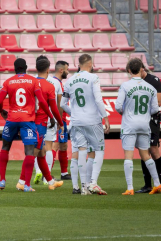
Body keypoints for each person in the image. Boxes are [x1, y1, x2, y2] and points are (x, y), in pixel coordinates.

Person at [0, 58, 63, 192]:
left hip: (13, 118)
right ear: (26, 67)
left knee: (9, 148)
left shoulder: (9, 81)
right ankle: (24, 183)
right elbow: (45, 103)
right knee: (32, 152)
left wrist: (2, 111)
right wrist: (53, 118)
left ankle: (49, 181)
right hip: (30, 120)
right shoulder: (36, 82)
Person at [60, 54, 110, 195]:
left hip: (76, 121)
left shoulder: (69, 81)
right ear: (90, 64)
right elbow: (98, 100)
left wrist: (74, 113)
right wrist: (105, 117)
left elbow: (62, 104)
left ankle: (83, 187)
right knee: (99, 149)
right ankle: (93, 183)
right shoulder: (93, 78)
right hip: (92, 120)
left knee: (82, 151)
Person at [115, 58, 161, 195]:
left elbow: (118, 106)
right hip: (144, 124)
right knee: (146, 155)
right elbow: (154, 109)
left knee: (128, 156)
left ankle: (130, 188)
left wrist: (125, 111)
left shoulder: (125, 86)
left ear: (129, 70)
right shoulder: (150, 87)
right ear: (141, 69)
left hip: (129, 124)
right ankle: (158, 184)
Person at [34, 60, 70, 185]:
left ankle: (37, 172)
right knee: (49, 146)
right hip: (50, 119)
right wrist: (60, 121)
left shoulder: (32, 81)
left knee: (36, 146)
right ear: (48, 69)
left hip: (34, 118)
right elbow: (59, 105)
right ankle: (47, 176)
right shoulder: (55, 83)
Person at [135, 66, 161, 193]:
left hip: (152, 119)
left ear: (141, 69)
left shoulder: (154, 80)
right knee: (143, 150)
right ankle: (148, 185)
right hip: (141, 120)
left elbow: (159, 102)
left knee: (154, 149)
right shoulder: (136, 82)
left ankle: (159, 183)